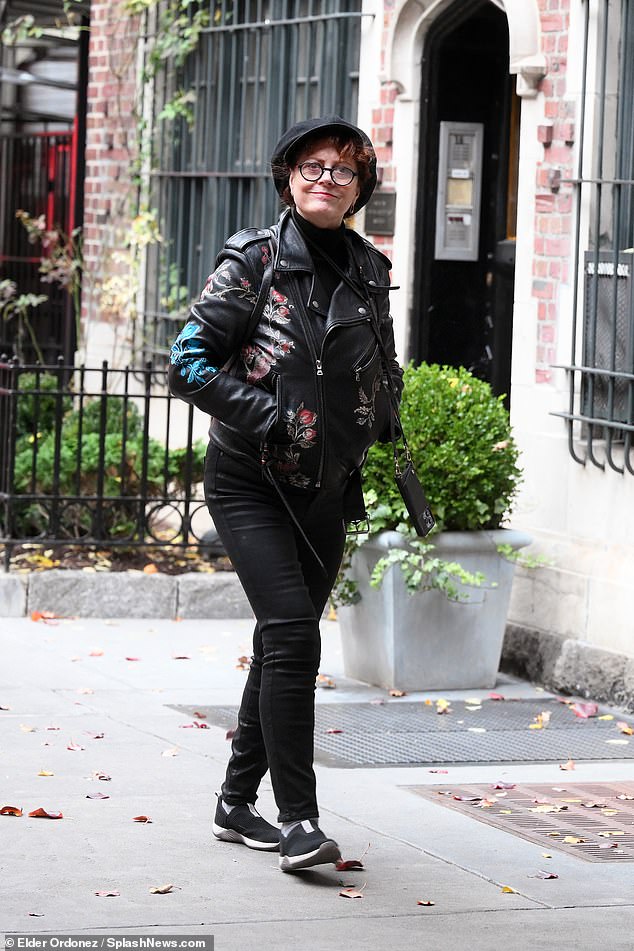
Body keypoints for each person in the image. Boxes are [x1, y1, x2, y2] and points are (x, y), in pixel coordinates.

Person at [168, 116, 403, 872]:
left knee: (281, 639)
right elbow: (187, 363)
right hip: (251, 480)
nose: (327, 177)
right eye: (312, 165)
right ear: (288, 177)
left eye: (343, 167)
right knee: (298, 637)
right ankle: (299, 819)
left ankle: (236, 804)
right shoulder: (254, 260)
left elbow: (378, 365)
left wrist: (381, 429)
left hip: (326, 492)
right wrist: (270, 418)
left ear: (360, 186)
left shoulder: (370, 267)